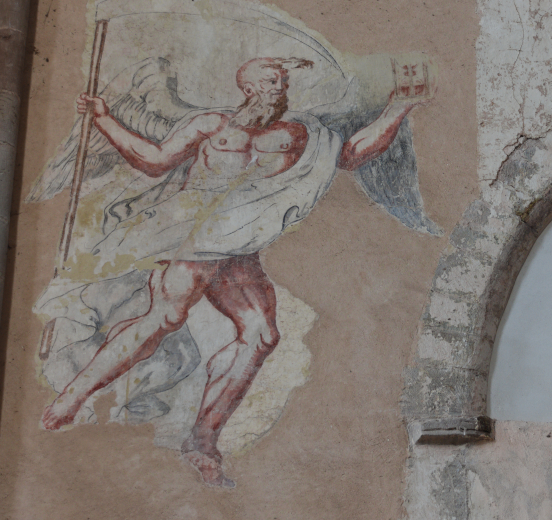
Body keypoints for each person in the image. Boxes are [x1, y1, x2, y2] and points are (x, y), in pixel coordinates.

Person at [41, 57, 433, 487]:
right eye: (271, 80)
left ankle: (203, 440)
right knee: (165, 318)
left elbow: (352, 153)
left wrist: (397, 108)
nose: (280, 88)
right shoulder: (210, 125)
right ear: (246, 86)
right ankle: (73, 396)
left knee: (262, 334)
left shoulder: (301, 134)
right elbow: (154, 160)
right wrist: (103, 119)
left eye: (283, 81)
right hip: (194, 236)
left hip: (239, 250)